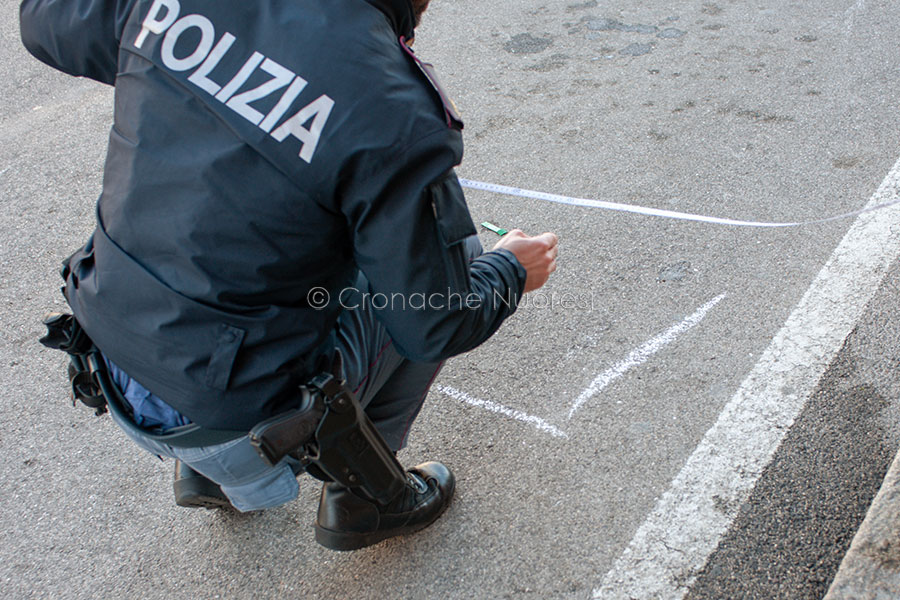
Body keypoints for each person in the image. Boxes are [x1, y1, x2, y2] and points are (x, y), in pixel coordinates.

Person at [20, 0, 558, 550]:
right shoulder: (387, 103)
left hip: (110, 360)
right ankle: (368, 499)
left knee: (252, 195)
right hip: (235, 421)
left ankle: (206, 474)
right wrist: (507, 271)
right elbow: (435, 323)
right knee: (453, 258)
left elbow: (43, 22)